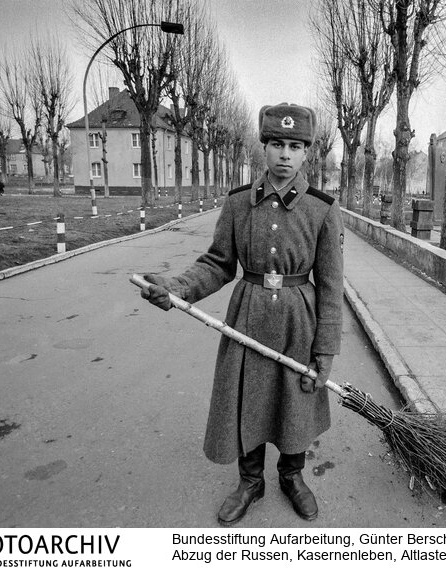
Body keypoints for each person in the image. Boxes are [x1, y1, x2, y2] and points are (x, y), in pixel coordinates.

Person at [140, 103, 344, 526]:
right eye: (276, 144)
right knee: (245, 397)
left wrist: (324, 351)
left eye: (294, 146)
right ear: (263, 147)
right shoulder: (237, 203)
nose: (284, 154)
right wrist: (177, 288)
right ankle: (250, 482)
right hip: (246, 316)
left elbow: (330, 285)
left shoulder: (322, 209)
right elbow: (217, 264)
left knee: (295, 398)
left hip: (298, 322)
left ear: (306, 152)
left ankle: (292, 476)